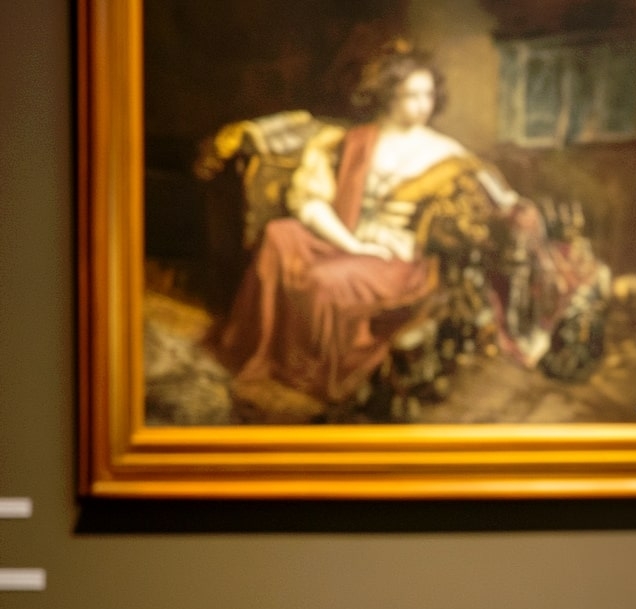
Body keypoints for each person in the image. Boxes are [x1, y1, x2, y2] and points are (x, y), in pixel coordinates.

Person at [213, 43, 506, 407]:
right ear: (388, 95)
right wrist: (351, 244)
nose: (423, 104)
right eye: (412, 95)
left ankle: (311, 374)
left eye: (428, 95)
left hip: (397, 256)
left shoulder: (448, 152)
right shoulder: (355, 140)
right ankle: (259, 352)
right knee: (278, 235)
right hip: (346, 233)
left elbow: (499, 198)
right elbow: (310, 201)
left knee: (324, 280)